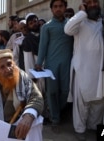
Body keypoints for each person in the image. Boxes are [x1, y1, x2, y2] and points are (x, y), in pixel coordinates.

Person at [64, 0, 104, 139]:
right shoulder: (80, 21)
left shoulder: (103, 21)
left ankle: (94, 129)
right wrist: (81, 12)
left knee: (98, 103)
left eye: (95, 2)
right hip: (82, 70)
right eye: (89, 2)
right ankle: (80, 131)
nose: (93, 5)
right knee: (81, 105)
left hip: (100, 71)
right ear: (84, 4)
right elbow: (67, 29)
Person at [35, 0, 73, 131]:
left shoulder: (70, 25)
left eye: (61, 6)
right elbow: (42, 46)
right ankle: (55, 119)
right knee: (52, 92)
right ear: (51, 9)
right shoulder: (47, 27)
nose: (58, 9)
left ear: (65, 8)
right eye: (55, 7)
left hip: (67, 65)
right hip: (51, 66)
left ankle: (58, 112)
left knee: (65, 91)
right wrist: (39, 63)